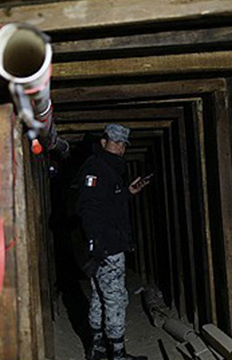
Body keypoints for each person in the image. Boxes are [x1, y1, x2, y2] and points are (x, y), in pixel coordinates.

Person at [76, 124, 150, 360]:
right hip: (107, 246)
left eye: (123, 144)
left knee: (100, 295)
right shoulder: (96, 168)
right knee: (116, 298)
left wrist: (128, 193)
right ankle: (118, 354)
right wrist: (97, 246)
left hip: (105, 244)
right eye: (115, 142)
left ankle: (97, 347)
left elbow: (108, 203)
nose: (119, 147)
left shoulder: (108, 168)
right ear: (103, 142)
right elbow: (89, 208)